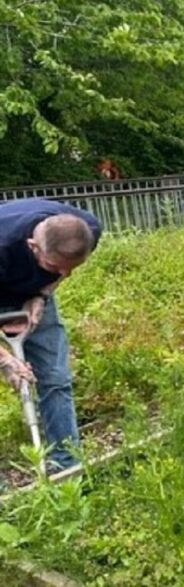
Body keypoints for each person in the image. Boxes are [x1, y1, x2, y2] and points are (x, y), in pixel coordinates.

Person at [0, 199, 103, 472]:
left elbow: (64, 268)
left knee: (56, 379)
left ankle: (67, 468)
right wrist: (6, 361)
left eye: (70, 268)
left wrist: (41, 295)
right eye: (54, 268)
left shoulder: (86, 229)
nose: (64, 275)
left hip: (28, 295)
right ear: (33, 246)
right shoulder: (3, 244)